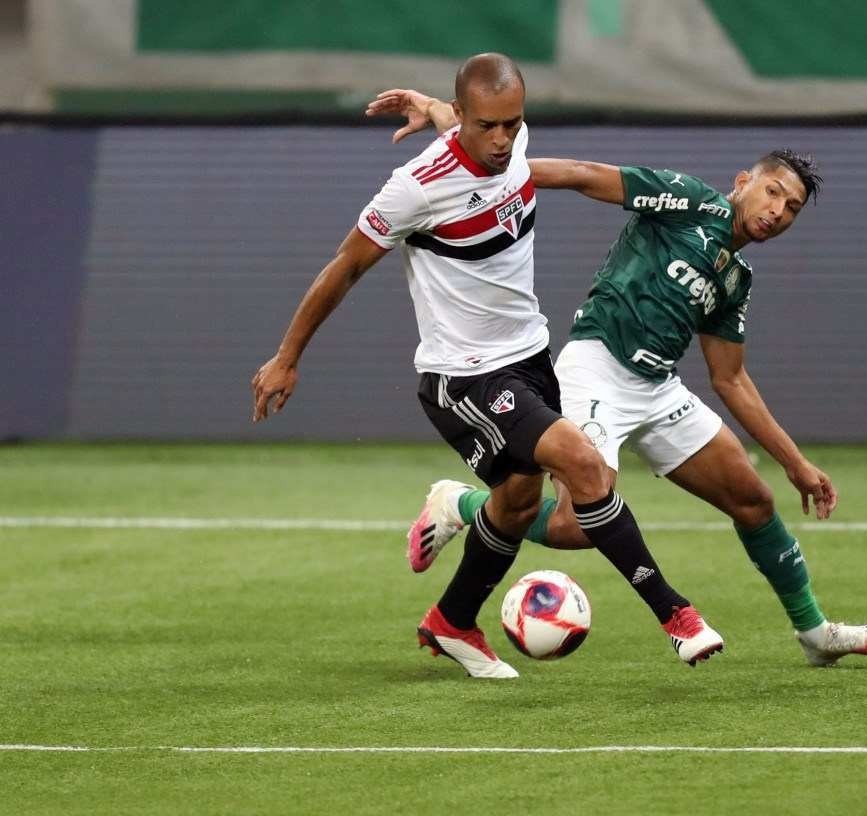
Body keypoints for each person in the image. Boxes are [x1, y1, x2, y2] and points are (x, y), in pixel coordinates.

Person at [373, 90, 867, 667]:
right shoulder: (690, 201)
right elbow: (584, 173)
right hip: (595, 368)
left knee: (754, 500)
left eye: (792, 207)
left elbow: (732, 380)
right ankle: (462, 503)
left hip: (658, 388)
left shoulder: (735, 279)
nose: (778, 210)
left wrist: (797, 464)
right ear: (744, 180)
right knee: (575, 527)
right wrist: (499, 179)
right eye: (773, 191)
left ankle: (815, 633)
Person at [252, 53, 724, 681]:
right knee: (582, 463)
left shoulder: (505, 139)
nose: (504, 140)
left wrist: (433, 106)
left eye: (513, 123)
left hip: (530, 358)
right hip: (465, 376)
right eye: (488, 126)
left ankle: (451, 620)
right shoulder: (417, 185)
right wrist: (287, 357)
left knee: (520, 504)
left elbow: (465, 119)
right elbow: (345, 265)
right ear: (465, 122)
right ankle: (678, 617)